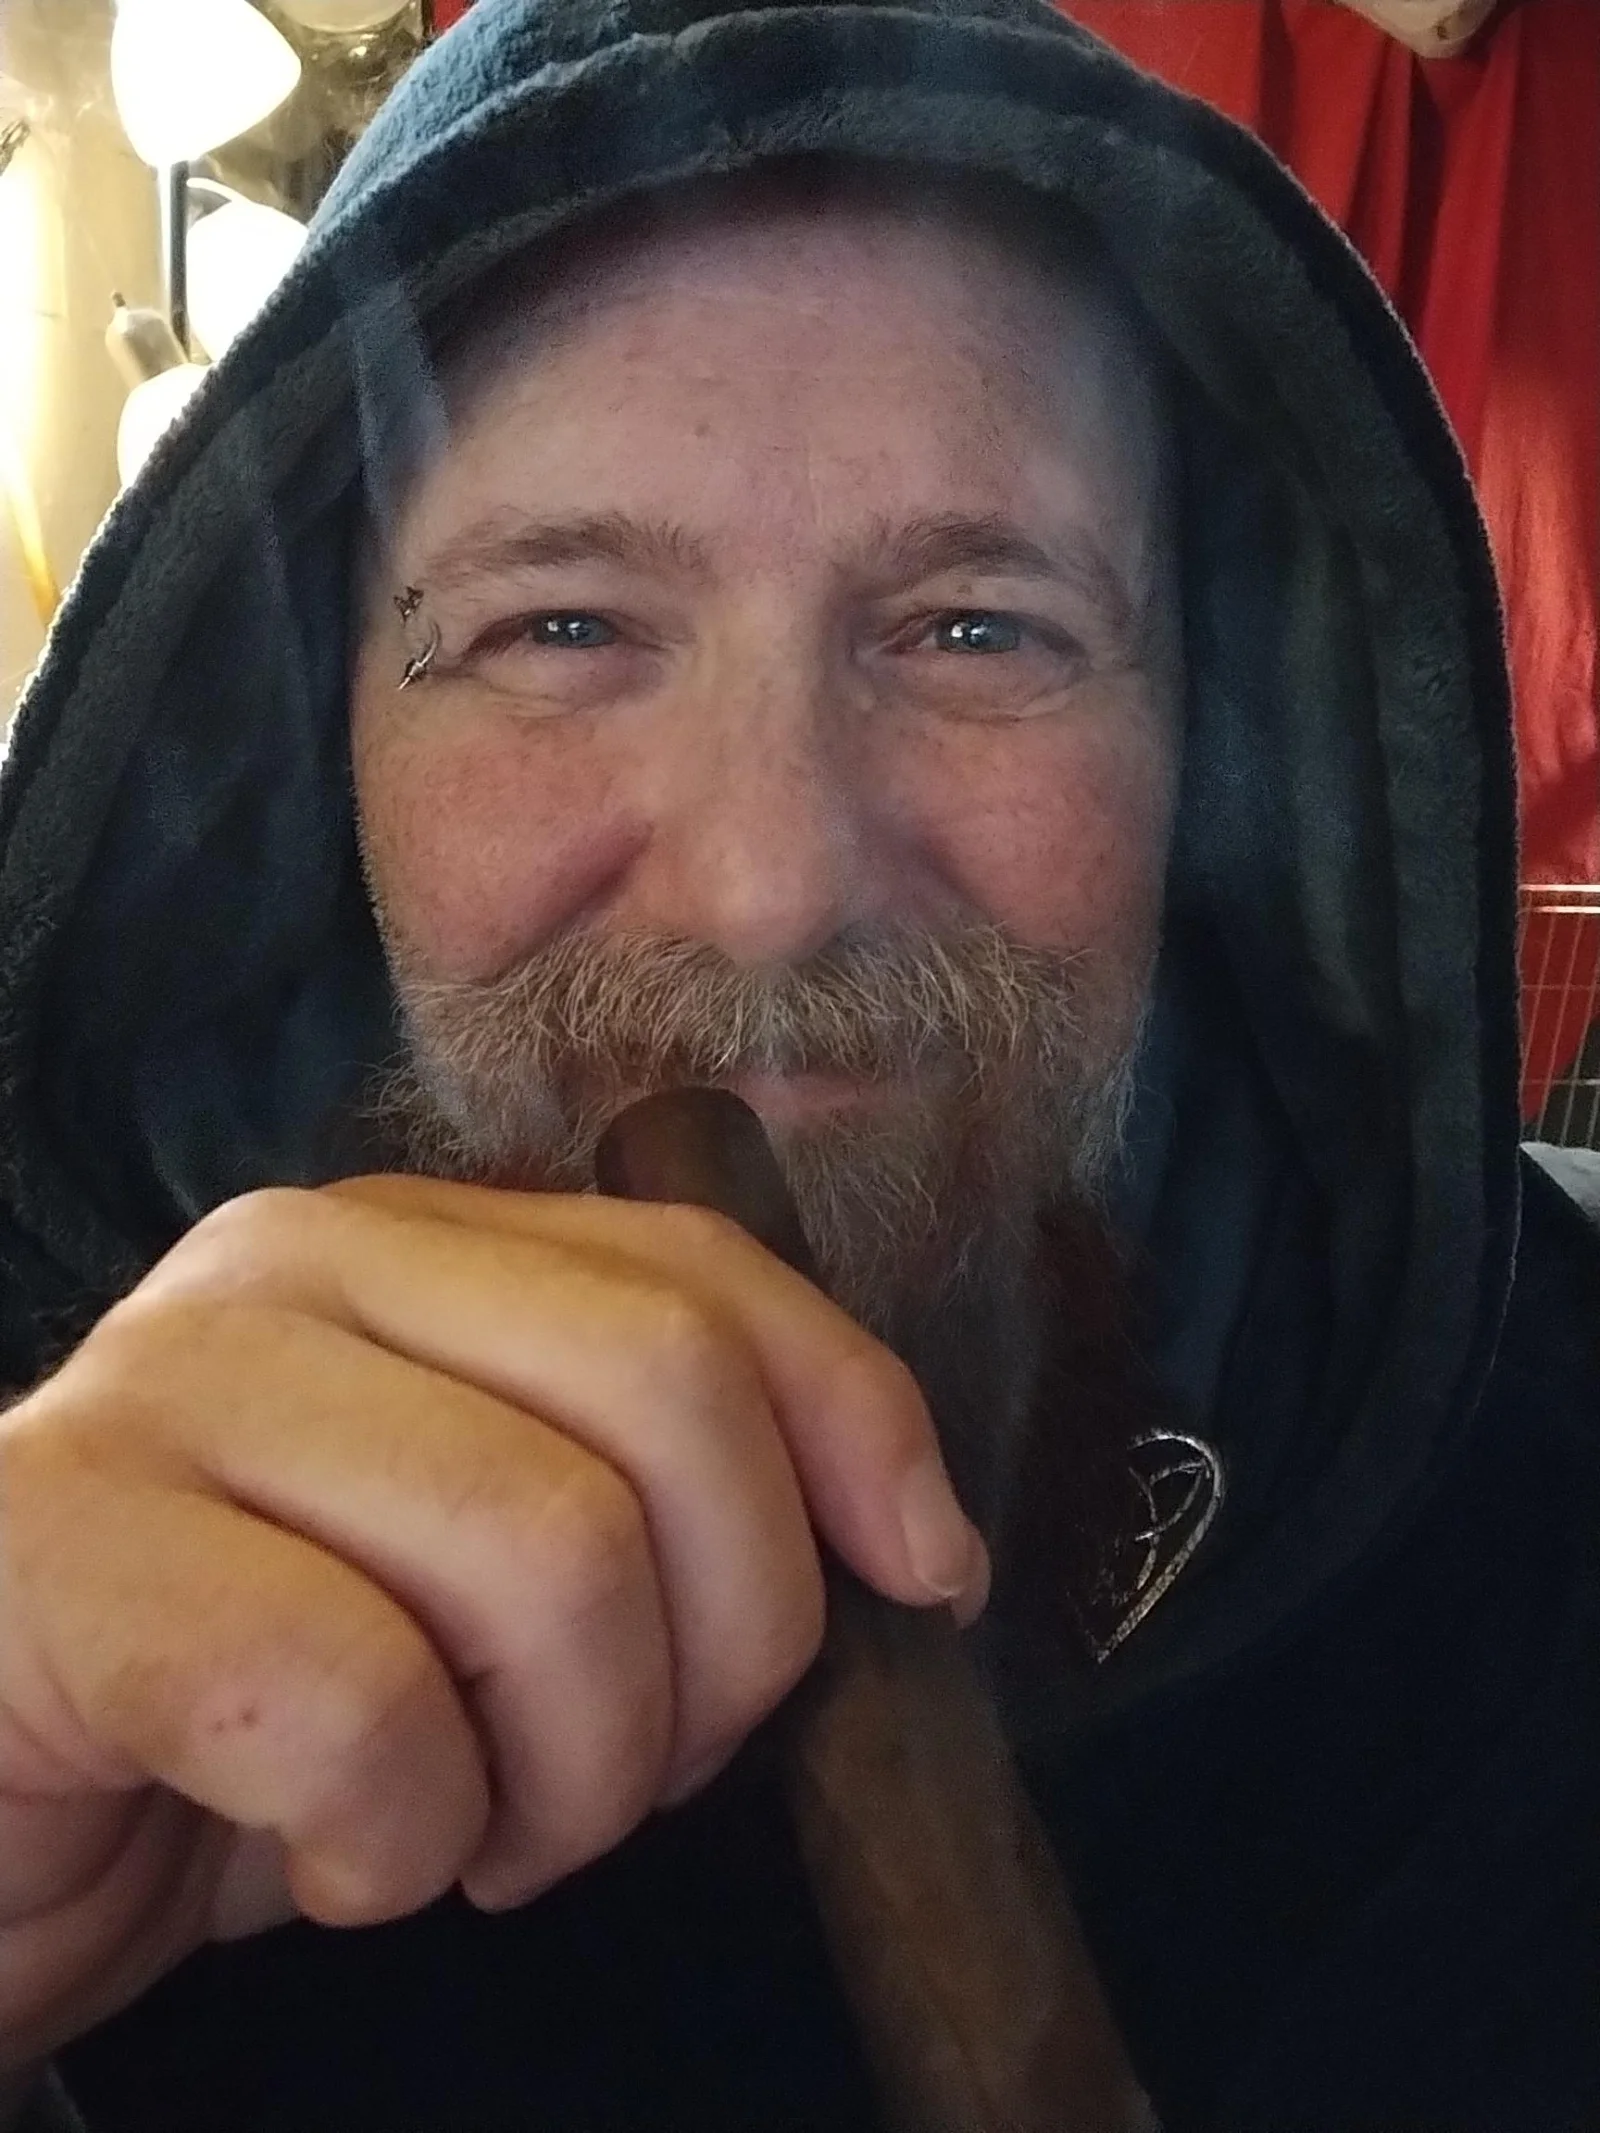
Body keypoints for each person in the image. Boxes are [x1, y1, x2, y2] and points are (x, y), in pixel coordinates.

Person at [0, 0, 1594, 2126]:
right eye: (560, 627)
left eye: (977, 629)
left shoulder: (1544, 1519)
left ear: (1203, 743)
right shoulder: (41, 1538)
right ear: (315, 759)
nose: (766, 890)